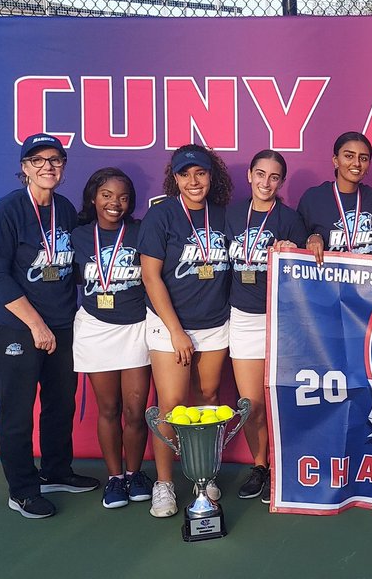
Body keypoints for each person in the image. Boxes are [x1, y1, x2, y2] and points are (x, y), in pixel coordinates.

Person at [0, 133, 99, 518]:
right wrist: (35, 324)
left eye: (56, 159)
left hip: (62, 323)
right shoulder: (6, 211)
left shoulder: (64, 209)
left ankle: (56, 470)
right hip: (16, 325)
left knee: (60, 403)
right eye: (38, 160)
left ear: (63, 167)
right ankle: (23, 489)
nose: (48, 166)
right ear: (25, 168)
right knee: (16, 410)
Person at [138, 144, 234, 518]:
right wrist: (176, 331)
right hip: (170, 325)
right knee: (172, 405)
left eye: (200, 173)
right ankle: (164, 482)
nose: (193, 181)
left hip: (214, 324)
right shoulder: (161, 216)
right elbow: (150, 275)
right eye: (185, 174)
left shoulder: (223, 216)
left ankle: (201, 475)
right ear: (174, 178)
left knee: (208, 397)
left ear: (212, 176)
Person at [226, 150, 306, 502]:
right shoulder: (229, 215)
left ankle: (286, 466)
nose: (266, 182)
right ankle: (261, 466)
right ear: (249, 175)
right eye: (260, 174)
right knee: (251, 404)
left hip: (281, 320)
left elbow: (304, 273)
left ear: (281, 182)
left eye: (274, 177)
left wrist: (292, 251)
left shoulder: (289, 218)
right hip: (242, 318)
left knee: (282, 400)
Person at [71, 167, 152, 509]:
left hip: (136, 328)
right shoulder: (76, 236)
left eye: (122, 197)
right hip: (95, 326)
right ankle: (114, 479)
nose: (114, 203)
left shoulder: (140, 232)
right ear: (93, 197)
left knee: (135, 411)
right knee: (108, 408)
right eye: (106, 195)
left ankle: (134, 475)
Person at [299, 131, 372, 261]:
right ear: (336, 161)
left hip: (369, 279)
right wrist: (312, 238)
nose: (357, 163)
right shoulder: (314, 199)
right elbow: (296, 244)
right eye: (349, 156)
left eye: (363, 158)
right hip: (327, 279)